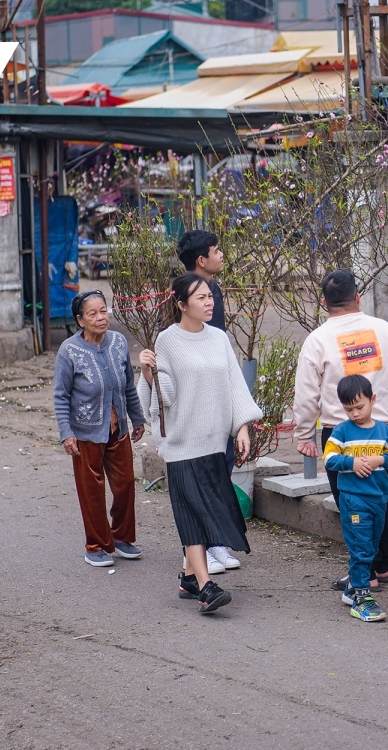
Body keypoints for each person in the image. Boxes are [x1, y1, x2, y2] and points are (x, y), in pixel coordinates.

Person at [138, 273, 262, 614]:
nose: (209, 302)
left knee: (212, 510)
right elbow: (168, 398)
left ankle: (189, 578)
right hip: (182, 444)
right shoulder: (167, 341)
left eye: (211, 296)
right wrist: (149, 374)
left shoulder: (219, 338)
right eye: (201, 298)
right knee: (192, 512)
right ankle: (206, 588)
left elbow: (234, 384)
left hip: (213, 441)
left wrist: (242, 427)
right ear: (181, 305)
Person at [294, 270, 388, 591]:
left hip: (340, 434)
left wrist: (303, 435)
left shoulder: (317, 340)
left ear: (324, 303)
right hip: (382, 428)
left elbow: (306, 394)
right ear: (358, 297)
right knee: (381, 499)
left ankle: (366, 573)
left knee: (352, 504)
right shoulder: (384, 331)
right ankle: (381, 565)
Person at [53, 290, 147, 567]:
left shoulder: (118, 342)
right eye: (92, 313)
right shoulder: (69, 350)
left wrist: (137, 418)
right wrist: (66, 433)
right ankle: (95, 545)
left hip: (117, 430)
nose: (100, 317)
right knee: (91, 490)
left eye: (103, 311)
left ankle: (121, 538)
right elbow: (60, 395)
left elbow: (128, 384)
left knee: (125, 483)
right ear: (80, 320)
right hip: (85, 433)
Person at [177, 229, 238, 575]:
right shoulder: (187, 295)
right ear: (202, 260)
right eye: (217, 251)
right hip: (196, 397)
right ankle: (194, 553)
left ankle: (214, 542)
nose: (221, 255)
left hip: (217, 393)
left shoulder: (212, 290)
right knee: (197, 472)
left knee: (220, 465)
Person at [323, 375, 388, 622]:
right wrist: (352, 462)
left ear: (373, 400)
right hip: (354, 499)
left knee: (372, 545)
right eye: (349, 409)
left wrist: (380, 459)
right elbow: (329, 459)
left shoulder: (384, 431)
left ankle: (351, 588)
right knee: (361, 548)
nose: (355, 414)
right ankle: (362, 597)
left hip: (378, 499)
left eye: (360, 407)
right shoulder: (342, 431)